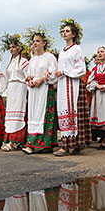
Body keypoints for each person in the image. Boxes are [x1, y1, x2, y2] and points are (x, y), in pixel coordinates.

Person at [54, 18, 92, 156]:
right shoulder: (62, 51)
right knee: (65, 111)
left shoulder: (76, 49)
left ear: (74, 34)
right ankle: (71, 143)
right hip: (64, 85)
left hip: (74, 85)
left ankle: (69, 145)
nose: (64, 33)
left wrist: (64, 72)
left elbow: (81, 69)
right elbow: (59, 69)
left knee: (75, 113)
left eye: (67, 31)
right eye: (63, 31)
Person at [22, 25, 59, 154]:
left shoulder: (49, 57)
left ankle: (39, 144)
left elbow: (54, 75)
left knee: (44, 115)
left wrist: (42, 79)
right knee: (33, 116)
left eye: (37, 41)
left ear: (44, 43)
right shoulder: (32, 60)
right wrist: (31, 80)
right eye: (33, 41)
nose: (35, 43)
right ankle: (34, 143)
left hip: (44, 90)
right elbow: (28, 75)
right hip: (34, 93)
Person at [0, 33, 29, 151]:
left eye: (13, 47)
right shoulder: (10, 63)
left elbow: (28, 76)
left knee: (19, 113)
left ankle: (15, 141)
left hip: (20, 87)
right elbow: (5, 79)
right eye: (10, 47)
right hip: (11, 89)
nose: (11, 49)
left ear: (19, 48)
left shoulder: (24, 61)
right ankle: (11, 139)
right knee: (10, 113)